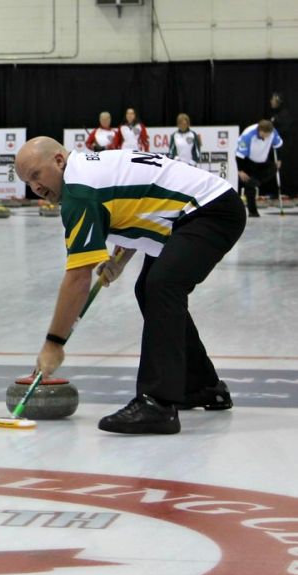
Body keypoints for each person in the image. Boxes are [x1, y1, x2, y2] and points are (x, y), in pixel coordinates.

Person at [16, 137, 246, 435]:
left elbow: (78, 277)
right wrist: (119, 260)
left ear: (59, 160)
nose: (36, 187)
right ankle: (200, 385)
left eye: (36, 174)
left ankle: (158, 404)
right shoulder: (88, 170)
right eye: (28, 182)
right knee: (149, 288)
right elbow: (141, 205)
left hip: (210, 211)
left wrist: (53, 345)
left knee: (161, 285)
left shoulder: (78, 190)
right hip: (190, 213)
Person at [235, 119, 283, 217]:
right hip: (248, 160)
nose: (267, 137)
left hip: (263, 160)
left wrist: (279, 160)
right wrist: (240, 171)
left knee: (273, 168)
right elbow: (239, 155)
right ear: (260, 131)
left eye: (269, 135)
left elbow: (278, 146)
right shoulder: (248, 135)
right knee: (250, 186)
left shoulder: (273, 132)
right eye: (265, 135)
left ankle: (255, 181)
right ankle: (253, 212)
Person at [269, 91, 293, 195]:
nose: (271, 101)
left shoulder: (284, 114)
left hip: (284, 145)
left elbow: (286, 129)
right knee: (274, 166)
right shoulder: (274, 114)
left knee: (283, 167)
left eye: (273, 99)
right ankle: (276, 190)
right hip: (275, 145)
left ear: (278, 101)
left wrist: (274, 131)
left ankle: (286, 190)